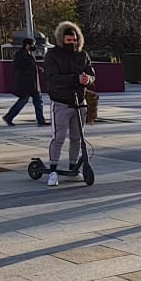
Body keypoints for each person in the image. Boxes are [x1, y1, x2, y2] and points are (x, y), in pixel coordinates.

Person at [40, 21, 94, 186]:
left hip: (79, 101)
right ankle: (53, 169)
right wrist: (74, 78)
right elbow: (53, 78)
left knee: (77, 137)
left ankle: (73, 166)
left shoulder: (82, 55)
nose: (72, 43)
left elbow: (91, 74)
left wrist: (88, 79)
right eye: (68, 40)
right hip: (61, 101)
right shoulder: (53, 55)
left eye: (74, 40)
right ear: (61, 39)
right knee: (59, 137)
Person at [3, 38, 46, 126]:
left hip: (32, 83)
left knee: (38, 101)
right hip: (26, 83)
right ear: (27, 45)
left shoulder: (29, 54)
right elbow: (19, 66)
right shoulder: (21, 54)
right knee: (23, 101)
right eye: (32, 44)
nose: (34, 46)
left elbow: (31, 65)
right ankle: (9, 117)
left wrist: (38, 68)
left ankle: (41, 120)